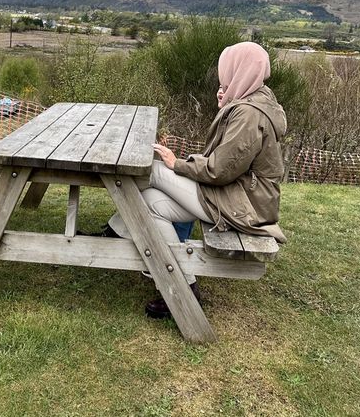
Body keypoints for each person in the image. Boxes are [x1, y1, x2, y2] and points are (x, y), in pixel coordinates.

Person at [107, 41, 287, 319]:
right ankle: (182, 286)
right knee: (151, 202)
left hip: (241, 203)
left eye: (227, 69)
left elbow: (219, 170)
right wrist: (226, 103)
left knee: (152, 170)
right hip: (234, 195)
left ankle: (116, 231)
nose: (222, 76)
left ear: (240, 70)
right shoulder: (253, 100)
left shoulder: (249, 114)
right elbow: (229, 160)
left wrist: (176, 163)